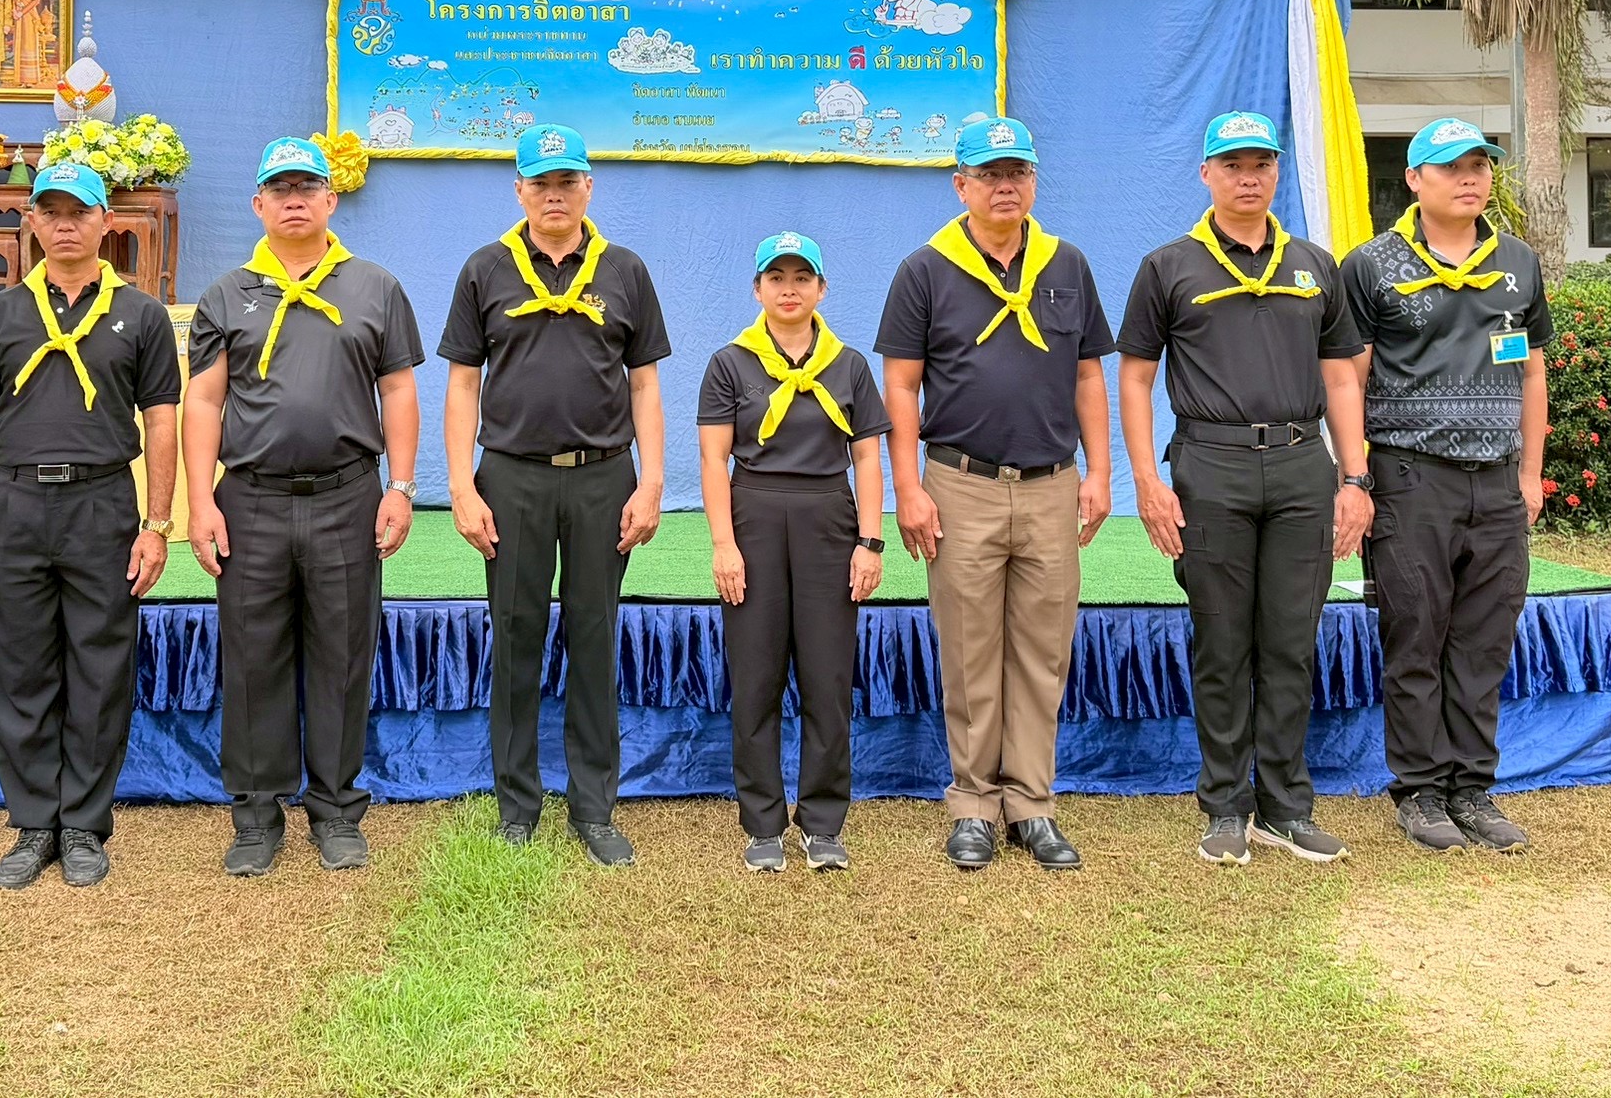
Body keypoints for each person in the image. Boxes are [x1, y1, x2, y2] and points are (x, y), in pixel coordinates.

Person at [1116, 111, 1372, 867]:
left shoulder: (1314, 264)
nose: (1248, 177)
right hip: (1211, 465)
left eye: (1261, 163)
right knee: (1222, 644)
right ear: (1206, 174)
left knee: (1291, 642)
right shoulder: (1169, 266)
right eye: (1232, 164)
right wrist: (1147, 482)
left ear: (1277, 171)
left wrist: (1355, 477)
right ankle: (1227, 805)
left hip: (1300, 465)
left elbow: (1340, 376)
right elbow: (1135, 378)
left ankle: (1286, 808)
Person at [874, 114, 1114, 871]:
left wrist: (1100, 473)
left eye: (1017, 173)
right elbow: (901, 386)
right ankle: (975, 805)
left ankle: (1032, 805)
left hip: (1051, 485)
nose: (1004, 186)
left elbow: (1088, 375)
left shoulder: (1067, 264)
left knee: (1043, 652)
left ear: (1033, 181)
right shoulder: (925, 270)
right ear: (961, 185)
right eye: (989, 174)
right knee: (970, 650)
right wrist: (907, 487)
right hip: (960, 485)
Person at [183, 136, 423, 878]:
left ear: (331, 200)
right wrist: (201, 501)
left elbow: (398, 390)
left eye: (307, 187)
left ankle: (336, 808)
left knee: (343, 655)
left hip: (347, 496)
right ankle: (257, 815)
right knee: (252, 657)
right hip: (250, 501)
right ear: (258, 204)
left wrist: (401, 487)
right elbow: (204, 400)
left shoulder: (376, 287)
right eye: (280, 189)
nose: (294, 200)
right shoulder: (226, 295)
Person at [441, 124, 670, 866]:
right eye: (540, 183)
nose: (554, 196)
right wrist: (461, 485)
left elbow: (645, 385)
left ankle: (594, 808)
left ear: (588, 188)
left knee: (595, 636)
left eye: (567, 182)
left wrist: (652, 482)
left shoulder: (625, 270)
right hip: (512, 477)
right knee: (515, 635)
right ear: (519, 191)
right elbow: (462, 385)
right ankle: (517, 806)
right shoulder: (485, 269)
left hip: (604, 476)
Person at [0, 159, 180, 889]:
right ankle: (33, 824)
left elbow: (162, 421)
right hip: (15, 504)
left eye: (79, 212)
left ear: (106, 221)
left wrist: (157, 524)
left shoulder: (142, 314)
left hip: (102, 504)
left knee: (100, 668)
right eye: (50, 212)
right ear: (31, 222)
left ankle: (83, 823)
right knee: (20, 669)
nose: (65, 225)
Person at [1340, 118, 1550, 855]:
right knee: (1416, 635)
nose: (1470, 178)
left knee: (1485, 641)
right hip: (1411, 477)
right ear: (1413, 179)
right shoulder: (1371, 266)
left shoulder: (1517, 262)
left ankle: (1472, 789)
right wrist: (1354, 477)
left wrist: (1529, 474)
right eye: (1451, 166)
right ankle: (1421, 790)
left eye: (1480, 166)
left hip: (1496, 484)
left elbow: (1531, 371)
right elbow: (1349, 376)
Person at [699, 231, 889, 874]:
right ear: (757, 289)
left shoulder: (849, 365)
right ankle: (762, 823)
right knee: (756, 677)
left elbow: (868, 459)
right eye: (776, 278)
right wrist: (724, 545)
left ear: (822, 289)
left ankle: (823, 822)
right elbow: (714, 460)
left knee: (827, 678)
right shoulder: (730, 363)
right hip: (753, 514)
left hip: (828, 518)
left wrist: (869, 542)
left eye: (802, 277)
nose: (789, 289)